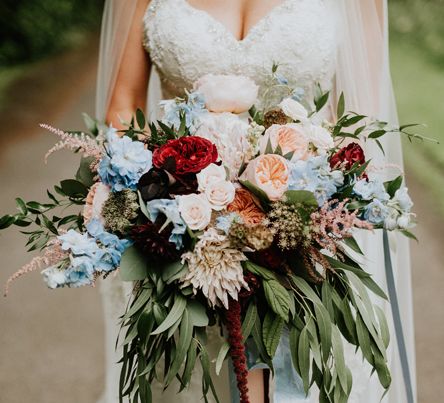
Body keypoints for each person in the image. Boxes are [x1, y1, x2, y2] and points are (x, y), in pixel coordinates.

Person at [96, 1, 416, 402]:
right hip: (179, 240)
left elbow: (362, 124)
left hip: (306, 236)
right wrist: (178, 205)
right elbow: (124, 111)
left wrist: (305, 214)